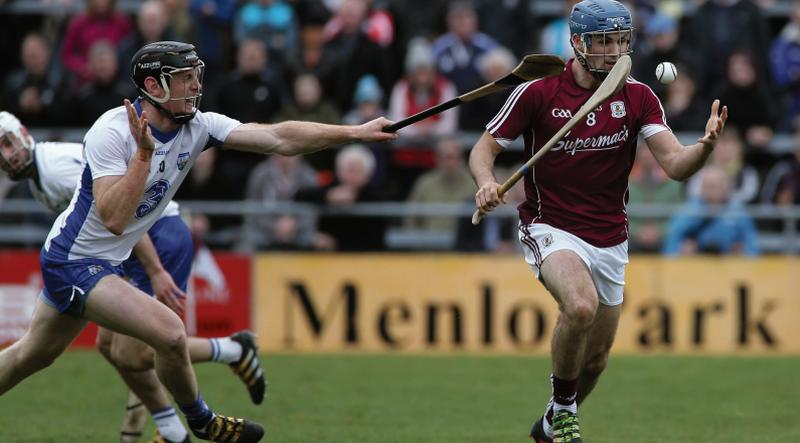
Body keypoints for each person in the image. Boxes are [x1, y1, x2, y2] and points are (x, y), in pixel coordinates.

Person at [0, 40, 396, 443]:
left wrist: (354, 132)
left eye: (196, 76)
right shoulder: (111, 131)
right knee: (169, 333)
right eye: (185, 79)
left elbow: (278, 137)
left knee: (31, 356)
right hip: (74, 261)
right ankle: (202, 422)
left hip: (103, 263)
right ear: (153, 87)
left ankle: (185, 418)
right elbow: (115, 218)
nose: (195, 86)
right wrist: (143, 157)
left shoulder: (198, 126)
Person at [468, 2, 727, 442]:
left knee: (596, 361)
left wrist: (703, 147)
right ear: (577, 43)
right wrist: (486, 182)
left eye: (621, 40)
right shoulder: (539, 90)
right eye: (603, 41)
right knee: (580, 305)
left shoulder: (639, 95)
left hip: (609, 238)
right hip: (549, 226)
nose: (614, 51)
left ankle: (548, 426)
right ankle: (566, 410)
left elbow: (675, 165)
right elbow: (484, 147)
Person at [0, 110, 265, 443]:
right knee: (105, 348)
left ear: (24, 133)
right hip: (112, 251)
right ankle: (178, 419)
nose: (7, 157)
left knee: (136, 352)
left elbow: (120, 213)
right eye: (0, 154)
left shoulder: (53, 170)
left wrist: (155, 271)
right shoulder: (41, 177)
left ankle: (225, 358)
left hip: (154, 237)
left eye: (8, 143)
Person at [662, 165, 759, 256]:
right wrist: (681, 250)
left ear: (726, 187)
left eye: (714, 186)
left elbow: (751, 243)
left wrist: (743, 252)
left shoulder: (738, 211)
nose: (709, 191)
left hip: (728, 265)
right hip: (696, 265)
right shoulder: (689, 211)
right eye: (706, 186)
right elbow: (672, 240)